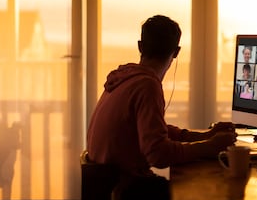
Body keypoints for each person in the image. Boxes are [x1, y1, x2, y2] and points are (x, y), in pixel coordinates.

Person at [86, 15, 237, 179]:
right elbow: (158, 154)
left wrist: (205, 136)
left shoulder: (124, 79)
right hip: (123, 190)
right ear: (176, 52)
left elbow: (153, 130)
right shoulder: (147, 86)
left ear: (140, 47)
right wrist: (209, 147)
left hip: (103, 186)